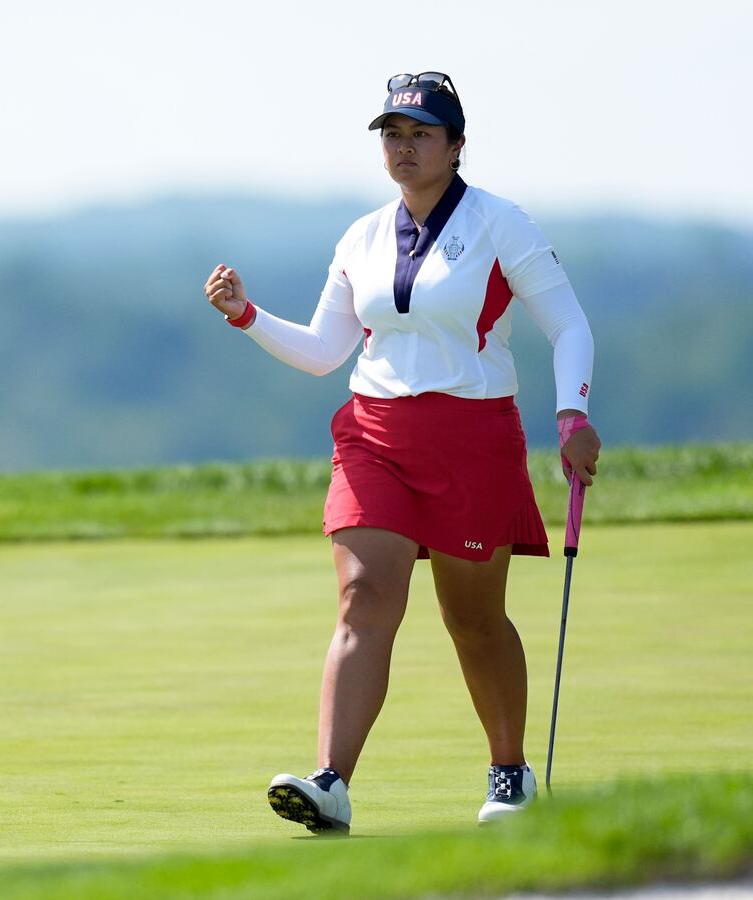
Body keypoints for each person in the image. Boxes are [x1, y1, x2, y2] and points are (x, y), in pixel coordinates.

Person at [203, 72, 601, 833]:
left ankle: (510, 775)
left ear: (456, 146)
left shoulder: (500, 224)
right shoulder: (360, 236)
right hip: (374, 436)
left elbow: (569, 325)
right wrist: (247, 315)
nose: (404, 146)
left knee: (473, 620)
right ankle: (331, 783)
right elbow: (326, 351)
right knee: (363, 599)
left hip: (474, 440)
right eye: (392, 133)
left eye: (422, 133)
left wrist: (572, 413)